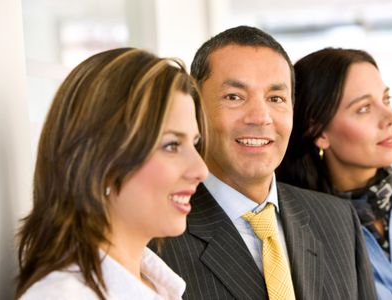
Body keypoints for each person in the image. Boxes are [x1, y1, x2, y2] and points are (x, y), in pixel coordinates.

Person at [154, 26, 377, 300]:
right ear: (194, 107)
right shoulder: (158, 238)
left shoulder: (338, 221)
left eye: (276, 99)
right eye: (234, 97)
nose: (260, 117)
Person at [15, 48, 208, 299]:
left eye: (194, 143)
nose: (201, 171)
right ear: (99, 157)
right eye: (171, 145)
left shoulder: (158, 283)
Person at [276, 47, 392, 300]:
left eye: (386, 100)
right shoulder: (293, 243)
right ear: (319, 132)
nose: (389, 117)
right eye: (364, 109)